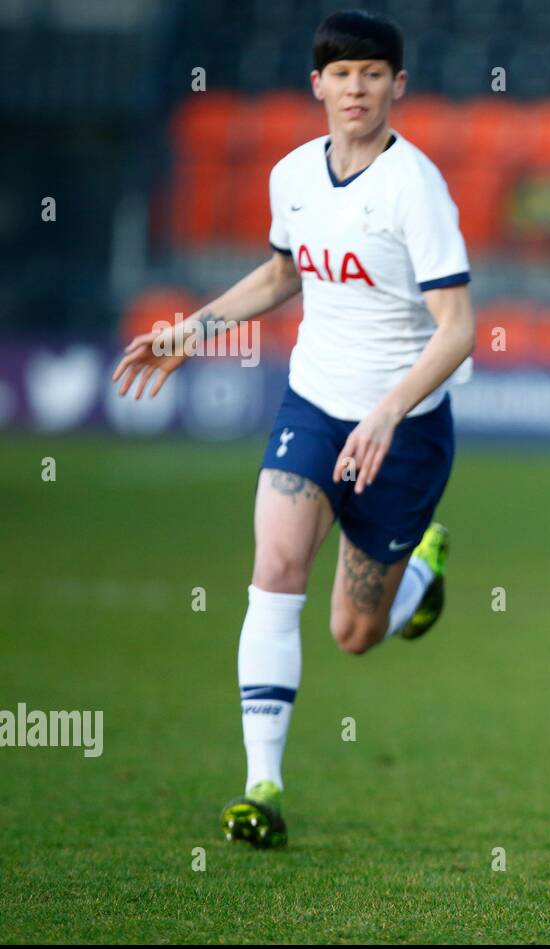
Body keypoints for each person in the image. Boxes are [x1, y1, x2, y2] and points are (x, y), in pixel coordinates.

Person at [111, 9, 475, 847]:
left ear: (397, 85)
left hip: (406, 429)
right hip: (313, 407)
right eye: (341, 74)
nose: (356, 88)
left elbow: (456, 328)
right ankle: (261, 784)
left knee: (355, 633)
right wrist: (192, 330)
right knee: (275, 567)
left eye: (373, 74)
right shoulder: (292, 176)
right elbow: (284, 273)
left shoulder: (415, 187)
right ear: (318, 85)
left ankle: (420, 575)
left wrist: (387, 412)